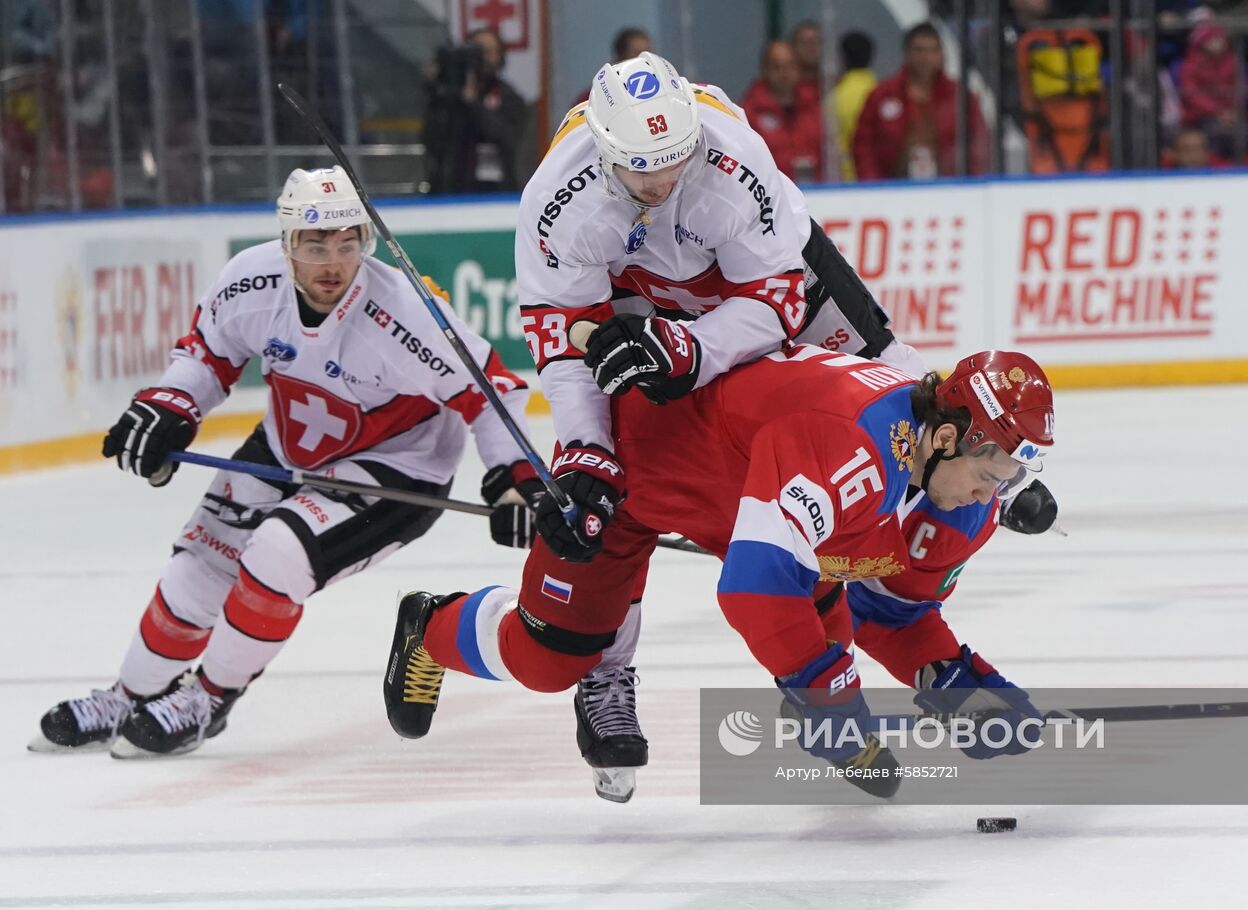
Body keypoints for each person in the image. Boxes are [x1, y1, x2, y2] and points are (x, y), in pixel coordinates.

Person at [29, 166, 541, 758]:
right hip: (284, 448)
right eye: (315, 244)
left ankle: (208, 699)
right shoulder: (249, 282)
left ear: (364, 243)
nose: (332, 262)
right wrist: (171, 404)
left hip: (396, 467)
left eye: (347, 244)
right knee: (199, 566)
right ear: (287, 243)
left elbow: (490, 389)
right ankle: (128, 694)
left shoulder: (405, 312)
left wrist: (516, 482)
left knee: (277, 552)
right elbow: (208, 354)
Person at [383, 346, 1055, 797]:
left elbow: (892, 612)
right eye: (990, 471)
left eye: (1009, 475)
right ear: (944, 437)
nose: (990, 492)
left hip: (743, 493)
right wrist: (828, 702)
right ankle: (432, 625)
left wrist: (955, 684)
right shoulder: (852, 450)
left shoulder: (961, 504)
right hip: (627, 468)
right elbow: (754, 588)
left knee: (822, 620)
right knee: (547, 660)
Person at [853, 22, 987, 179]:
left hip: (949, 186)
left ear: (941, 54)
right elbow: (863, 145)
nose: (926, 57)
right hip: (892, 186)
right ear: (906, 53)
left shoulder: (960, 97)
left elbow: (979, 143)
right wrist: (873, 185)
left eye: (932, 50)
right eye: (919, 50)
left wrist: (970, 183)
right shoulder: (882, 95)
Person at [424, 28, 529, 194]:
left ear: (500, 56)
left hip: (495, 190)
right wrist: (434, 91)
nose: (483, 58)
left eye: (489, 52)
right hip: (449, 189)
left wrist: (473, 103)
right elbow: (432, 141)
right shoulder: (449, 96)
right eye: (477, 51)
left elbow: (506, 138)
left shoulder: (509, 97)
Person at [741, 41, 825, 183]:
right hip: (770, 194)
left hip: (816, 191)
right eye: (776, 67)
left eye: (790, 66)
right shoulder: (749, 113)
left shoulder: (815, 107)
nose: (784, 73)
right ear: (765, 70)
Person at [829, 31, 879, 181]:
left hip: (845, 178)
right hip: (875, 177)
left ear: (843, 57)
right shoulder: (880, 92)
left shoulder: (835, 97)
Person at [573, 27, 654, 106]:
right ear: (621, 55)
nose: (643, 59)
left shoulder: (658, 90)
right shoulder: (593, 98)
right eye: (637, 53)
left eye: (647, 52)